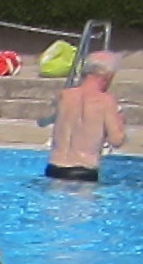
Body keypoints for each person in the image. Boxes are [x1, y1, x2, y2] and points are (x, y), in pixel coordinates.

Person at [44, 51, 126, 182]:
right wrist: (120, 119)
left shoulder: (63, 96)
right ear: (108, 75)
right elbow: (116, 140)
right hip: (84, 171)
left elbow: (43, 121)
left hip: (54, 168)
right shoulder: (106, 101)